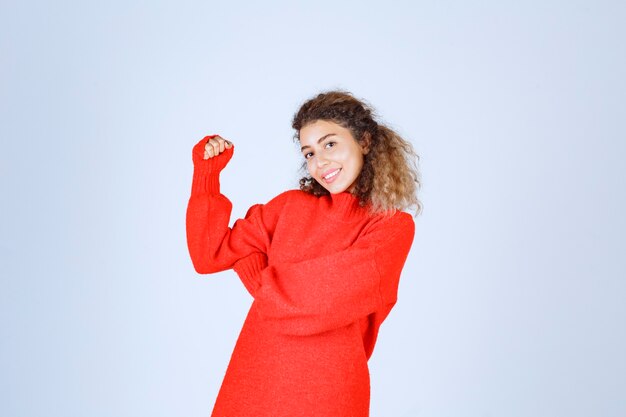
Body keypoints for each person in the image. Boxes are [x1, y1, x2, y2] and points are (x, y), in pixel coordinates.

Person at [186, 90, 422, 417]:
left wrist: (254, 269)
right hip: (254, 379)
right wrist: (207, 176)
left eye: (330, 144)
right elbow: (208, 254)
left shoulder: (391, 227)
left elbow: (320, 297)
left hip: (329, 393)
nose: (319, 162)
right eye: (309, 152)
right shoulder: (288, 208)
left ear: (365, 141)